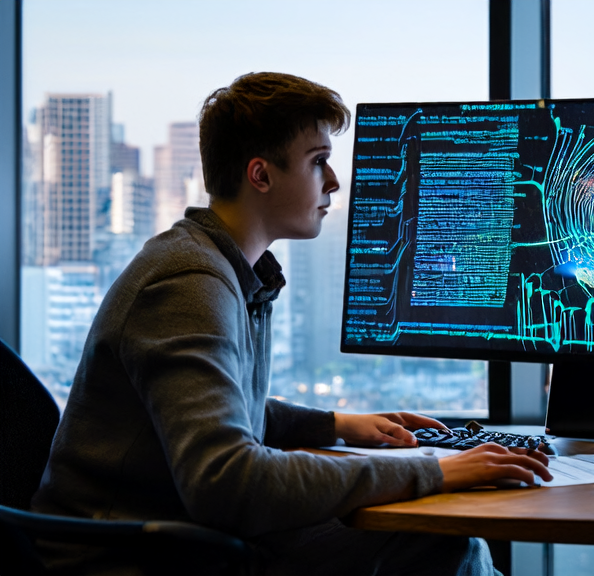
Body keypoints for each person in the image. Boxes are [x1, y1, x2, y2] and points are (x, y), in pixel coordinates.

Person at [31, 72, 551, 575]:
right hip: (130, 557)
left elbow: (214, 407)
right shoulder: (189, 283)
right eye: (318, 160)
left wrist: (335, 425)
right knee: (441, 548)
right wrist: (432, 471)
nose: (334, 180)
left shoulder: (220, 268)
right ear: (261, 174)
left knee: (433, 541)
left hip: (179, 536)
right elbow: (227, 481)